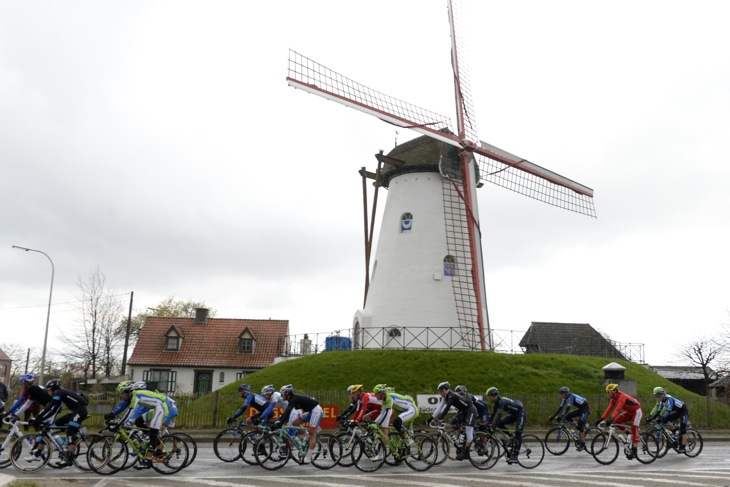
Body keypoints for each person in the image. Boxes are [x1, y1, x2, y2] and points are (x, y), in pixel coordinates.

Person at [105, 381, 169, 463]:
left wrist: (122, 423)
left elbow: (131, 412)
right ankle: (152, 442)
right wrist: (117, 418)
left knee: (153, 433)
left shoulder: (136, 395)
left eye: (121, 393)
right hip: (155, 409)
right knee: (139, 422)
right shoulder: (133, 396)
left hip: (160, 410)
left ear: (127, 392)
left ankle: (149, 459)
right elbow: (128, 410)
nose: (120, 395)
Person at [32, 379, 89, 467]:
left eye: (49, 390)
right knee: (58, 422)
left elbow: (49, 408)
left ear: (54, 389)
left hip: (80, 411)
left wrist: (37, 418)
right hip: (76, 411)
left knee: (70, 430)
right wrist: (41, 418)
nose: (48, 392)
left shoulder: (59, 393)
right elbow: (52, 410)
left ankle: (69, 458)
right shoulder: (60, 394)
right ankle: (70, 439)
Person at [426, 381, 476, 460]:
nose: (439, 393)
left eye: (441, 391)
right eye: (439, 391)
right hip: (463, 411)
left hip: (471, 411)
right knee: (452, 422)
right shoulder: (445, 397)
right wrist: (431, 418)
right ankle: (463, 435)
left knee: (469, 430)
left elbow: (446, 409)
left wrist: (439, 419)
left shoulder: (452, 396)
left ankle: (466, 453)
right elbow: (440, 408)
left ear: (446, 390)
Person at [273, 385, 323, 464]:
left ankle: (308, 457)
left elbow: (288, 411)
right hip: (310, 412)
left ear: (287, 393)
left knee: (312, 434)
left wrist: (280, 423)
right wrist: (280, 421)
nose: (281, 396)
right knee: (294, 423)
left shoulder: (293, 399)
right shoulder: (292, 399)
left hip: (316, 411)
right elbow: (286, 412)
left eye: (282, 394)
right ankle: (307, 435)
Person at [596, 383, 642, 459]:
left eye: (608, 392)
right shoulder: (613, 399)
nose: (607, 394)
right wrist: (601, 419)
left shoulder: (622, 396)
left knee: (634, 428)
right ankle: (628, 433)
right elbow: (609, 409)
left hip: (637, 411)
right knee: (616, 422)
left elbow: (618, 409)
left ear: (613, 392)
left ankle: (634, 450)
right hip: (630, 412)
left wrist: (611, 419)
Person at [485, 387, 526, 464]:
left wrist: (494, 426)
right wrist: (488, 423)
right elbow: (493, 415)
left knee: (518, 434)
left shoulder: (501, 402)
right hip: (513, 414)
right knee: (500, 423)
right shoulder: (496, 403)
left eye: (489, 396)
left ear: (494, 396)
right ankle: (511, 436)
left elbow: (499, 416)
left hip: (521, 414)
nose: (488, 398)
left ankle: (515, 457)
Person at [371, 384, 419, 450]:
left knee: (396, 422)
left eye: (376, 394)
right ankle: (403, 450)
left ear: (381, 393)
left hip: (412, 409)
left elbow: (387, 412)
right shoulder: (384, 400)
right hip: (406, 411)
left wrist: (378, 423)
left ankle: (408, 439)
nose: (375, 395)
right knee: (399, 430)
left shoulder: (389, 397)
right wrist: (375, 422)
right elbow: (382, 413)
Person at [646, 387, 689, 453]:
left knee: (683, 430)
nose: (657, 398)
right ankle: (675, 433)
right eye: (656, 396)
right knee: (665, 419)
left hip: (683, 411)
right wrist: (651, 418)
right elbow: (659, 411)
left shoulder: (669, 399)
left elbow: (668, 411)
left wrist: (662, 418)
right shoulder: (661, 401)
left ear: (662, 395)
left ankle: (682, 447)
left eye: (658, 396)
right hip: (676, 411)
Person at [549, 386, 591, 451]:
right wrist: (553, 417)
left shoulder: (571, 396)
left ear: (566, 393)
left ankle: (583, 444)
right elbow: (560, 408)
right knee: (567, 417)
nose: (561, 395)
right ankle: (578, 429)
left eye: (562, 393)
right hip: (581, 409)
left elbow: (568, 408)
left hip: (585, 408)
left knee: (580, 426)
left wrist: (562, 416)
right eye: (560, 393)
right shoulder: (565, 398)